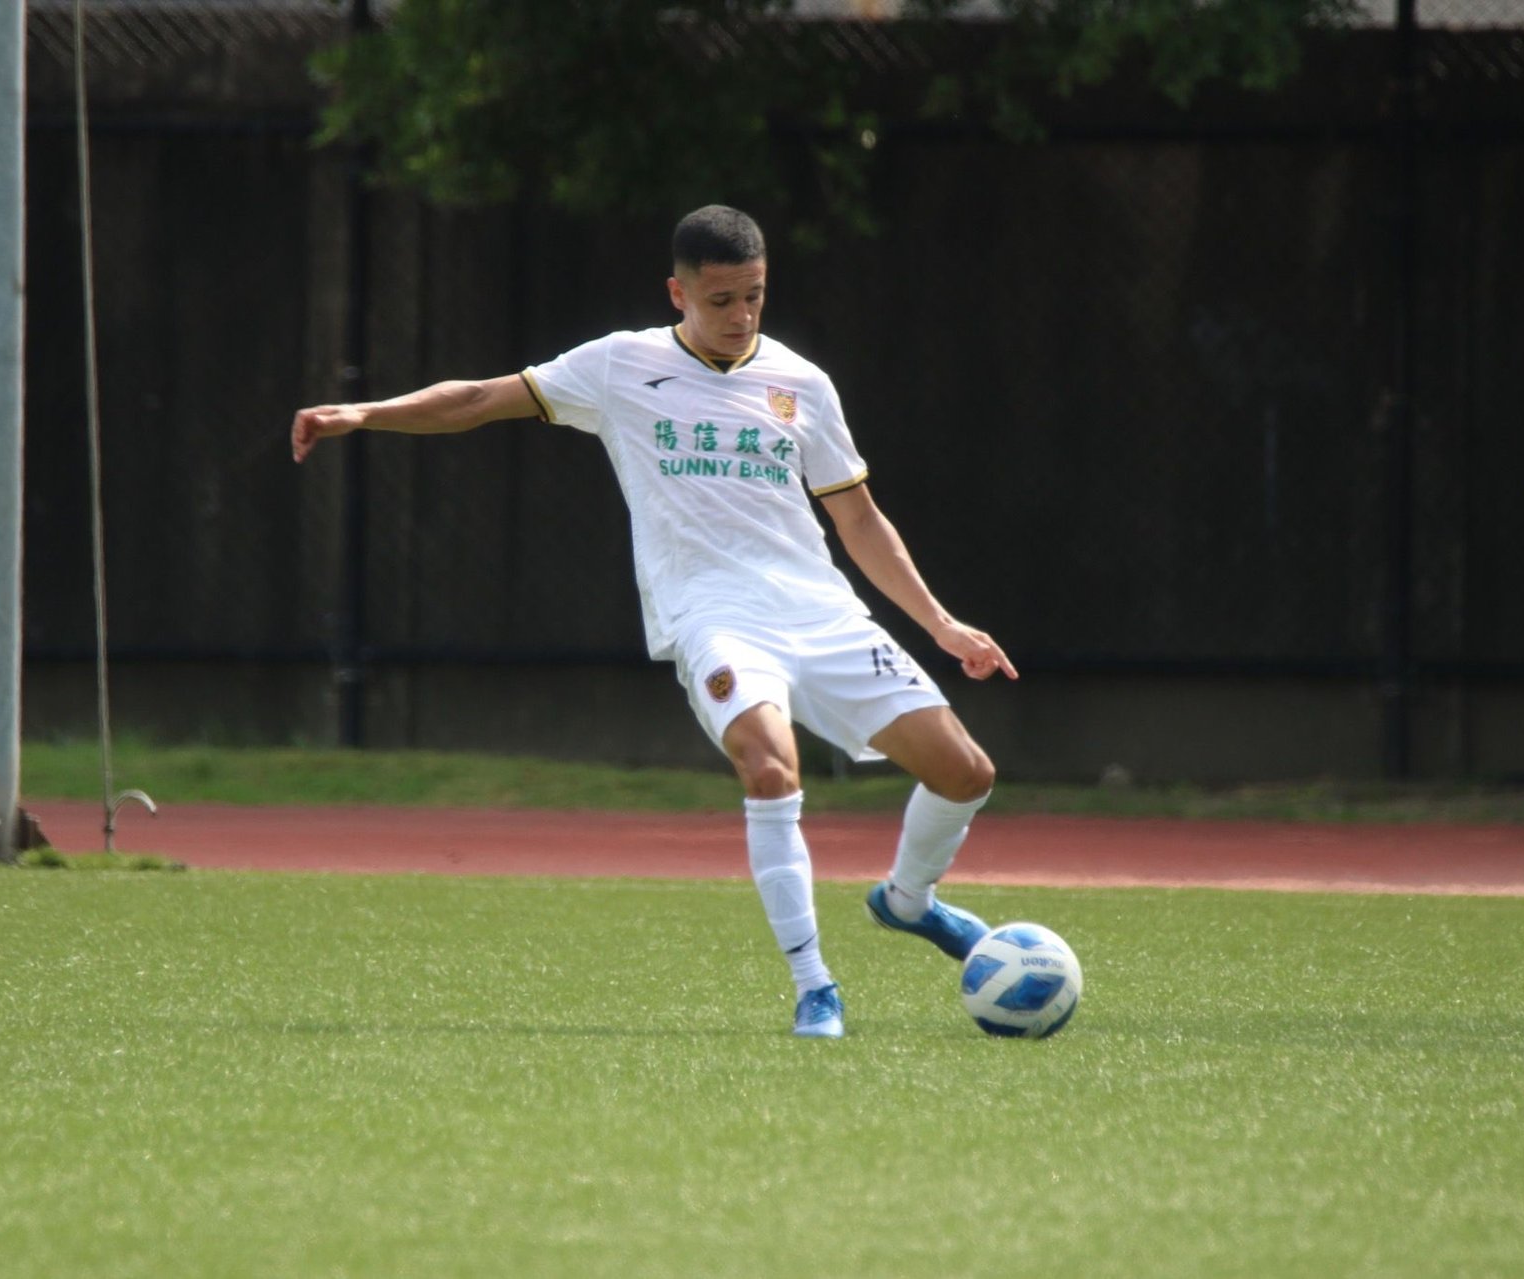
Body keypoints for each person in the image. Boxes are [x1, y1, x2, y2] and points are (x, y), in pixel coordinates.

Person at [291, 204, 1016, 1040]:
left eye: (754, 296)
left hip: (820, 612)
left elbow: (858, 519)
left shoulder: (802, 383)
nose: (740, 316)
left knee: (966, 772)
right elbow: (478, 400)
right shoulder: (619, 366)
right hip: (713, 615)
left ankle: (908, 900)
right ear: (678, 293)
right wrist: (364, 414)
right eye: (720, 300)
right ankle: (817, 986)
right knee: (771, 769)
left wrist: (942, 623)